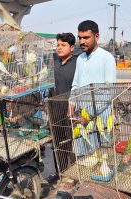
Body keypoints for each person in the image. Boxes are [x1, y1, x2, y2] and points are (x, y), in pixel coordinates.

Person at [48, 33, 77, 181]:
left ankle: (72, 175)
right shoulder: (55, 63)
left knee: (72, 142)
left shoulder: (77, 63)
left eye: (63, 45)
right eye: (58, 45)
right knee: (57, 143)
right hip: (55, 110)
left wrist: (72, 106)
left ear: (72, 48)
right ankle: (60, 172)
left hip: (71, 109)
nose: (59, 48)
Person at [71, 20, 116, 90]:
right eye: (80, 38)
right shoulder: (80, 58)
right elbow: (75, 84)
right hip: (79, 101)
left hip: (99, 101)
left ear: (96, 37)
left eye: (86, 38)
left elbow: (110, 89)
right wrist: (73, 99)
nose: (81, 42)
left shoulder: (107, 58)